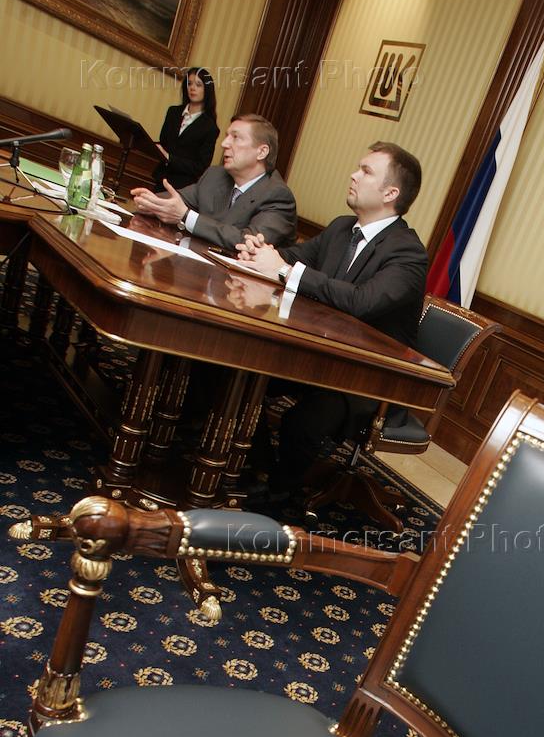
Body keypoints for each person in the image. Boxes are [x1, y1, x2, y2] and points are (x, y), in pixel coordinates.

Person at [236, 141, 427, 499]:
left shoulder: (408, 252)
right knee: (240, 372)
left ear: (390, 193)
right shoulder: (342, 228)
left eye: (366, 171)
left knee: (302, 422)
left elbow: (361, 302)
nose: (353, 175)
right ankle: (259, 466)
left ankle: (281, 494)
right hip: (319, 351)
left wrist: (284, 269)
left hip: (367, 375)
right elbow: (294, 257)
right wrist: (261, 252)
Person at [130, 114, 296, 250]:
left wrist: (186, 216)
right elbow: (177, 201)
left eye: (236, 138)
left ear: (262, 152)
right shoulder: (215, 176)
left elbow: (247, 242)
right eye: (226, 137)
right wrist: (150, 202)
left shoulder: (278, 196)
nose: (224, 144)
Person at [152, 66, 219, 191]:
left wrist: (170, 158)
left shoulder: (210, 127)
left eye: (198, 85)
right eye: (189, 83)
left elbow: (200, 167)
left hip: (182, 186)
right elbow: (164, 142)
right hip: (160, 177)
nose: (192, 88)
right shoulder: (173, 112)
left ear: (207, 90)